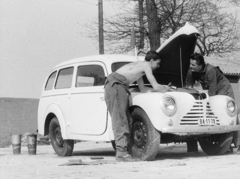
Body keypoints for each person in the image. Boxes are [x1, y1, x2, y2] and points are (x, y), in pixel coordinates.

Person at [104, 51, 170, 162]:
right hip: (117, 85)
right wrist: (165, 89)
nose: (158, 66)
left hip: (115, 85)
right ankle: (121, 154)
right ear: (151, 61)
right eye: (158, 63)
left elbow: (143, 89)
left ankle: (123, 152)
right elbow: (156, 86)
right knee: (120, 120)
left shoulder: (139, 68)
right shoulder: (146, 65)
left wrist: (160, 88)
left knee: (125, 119)